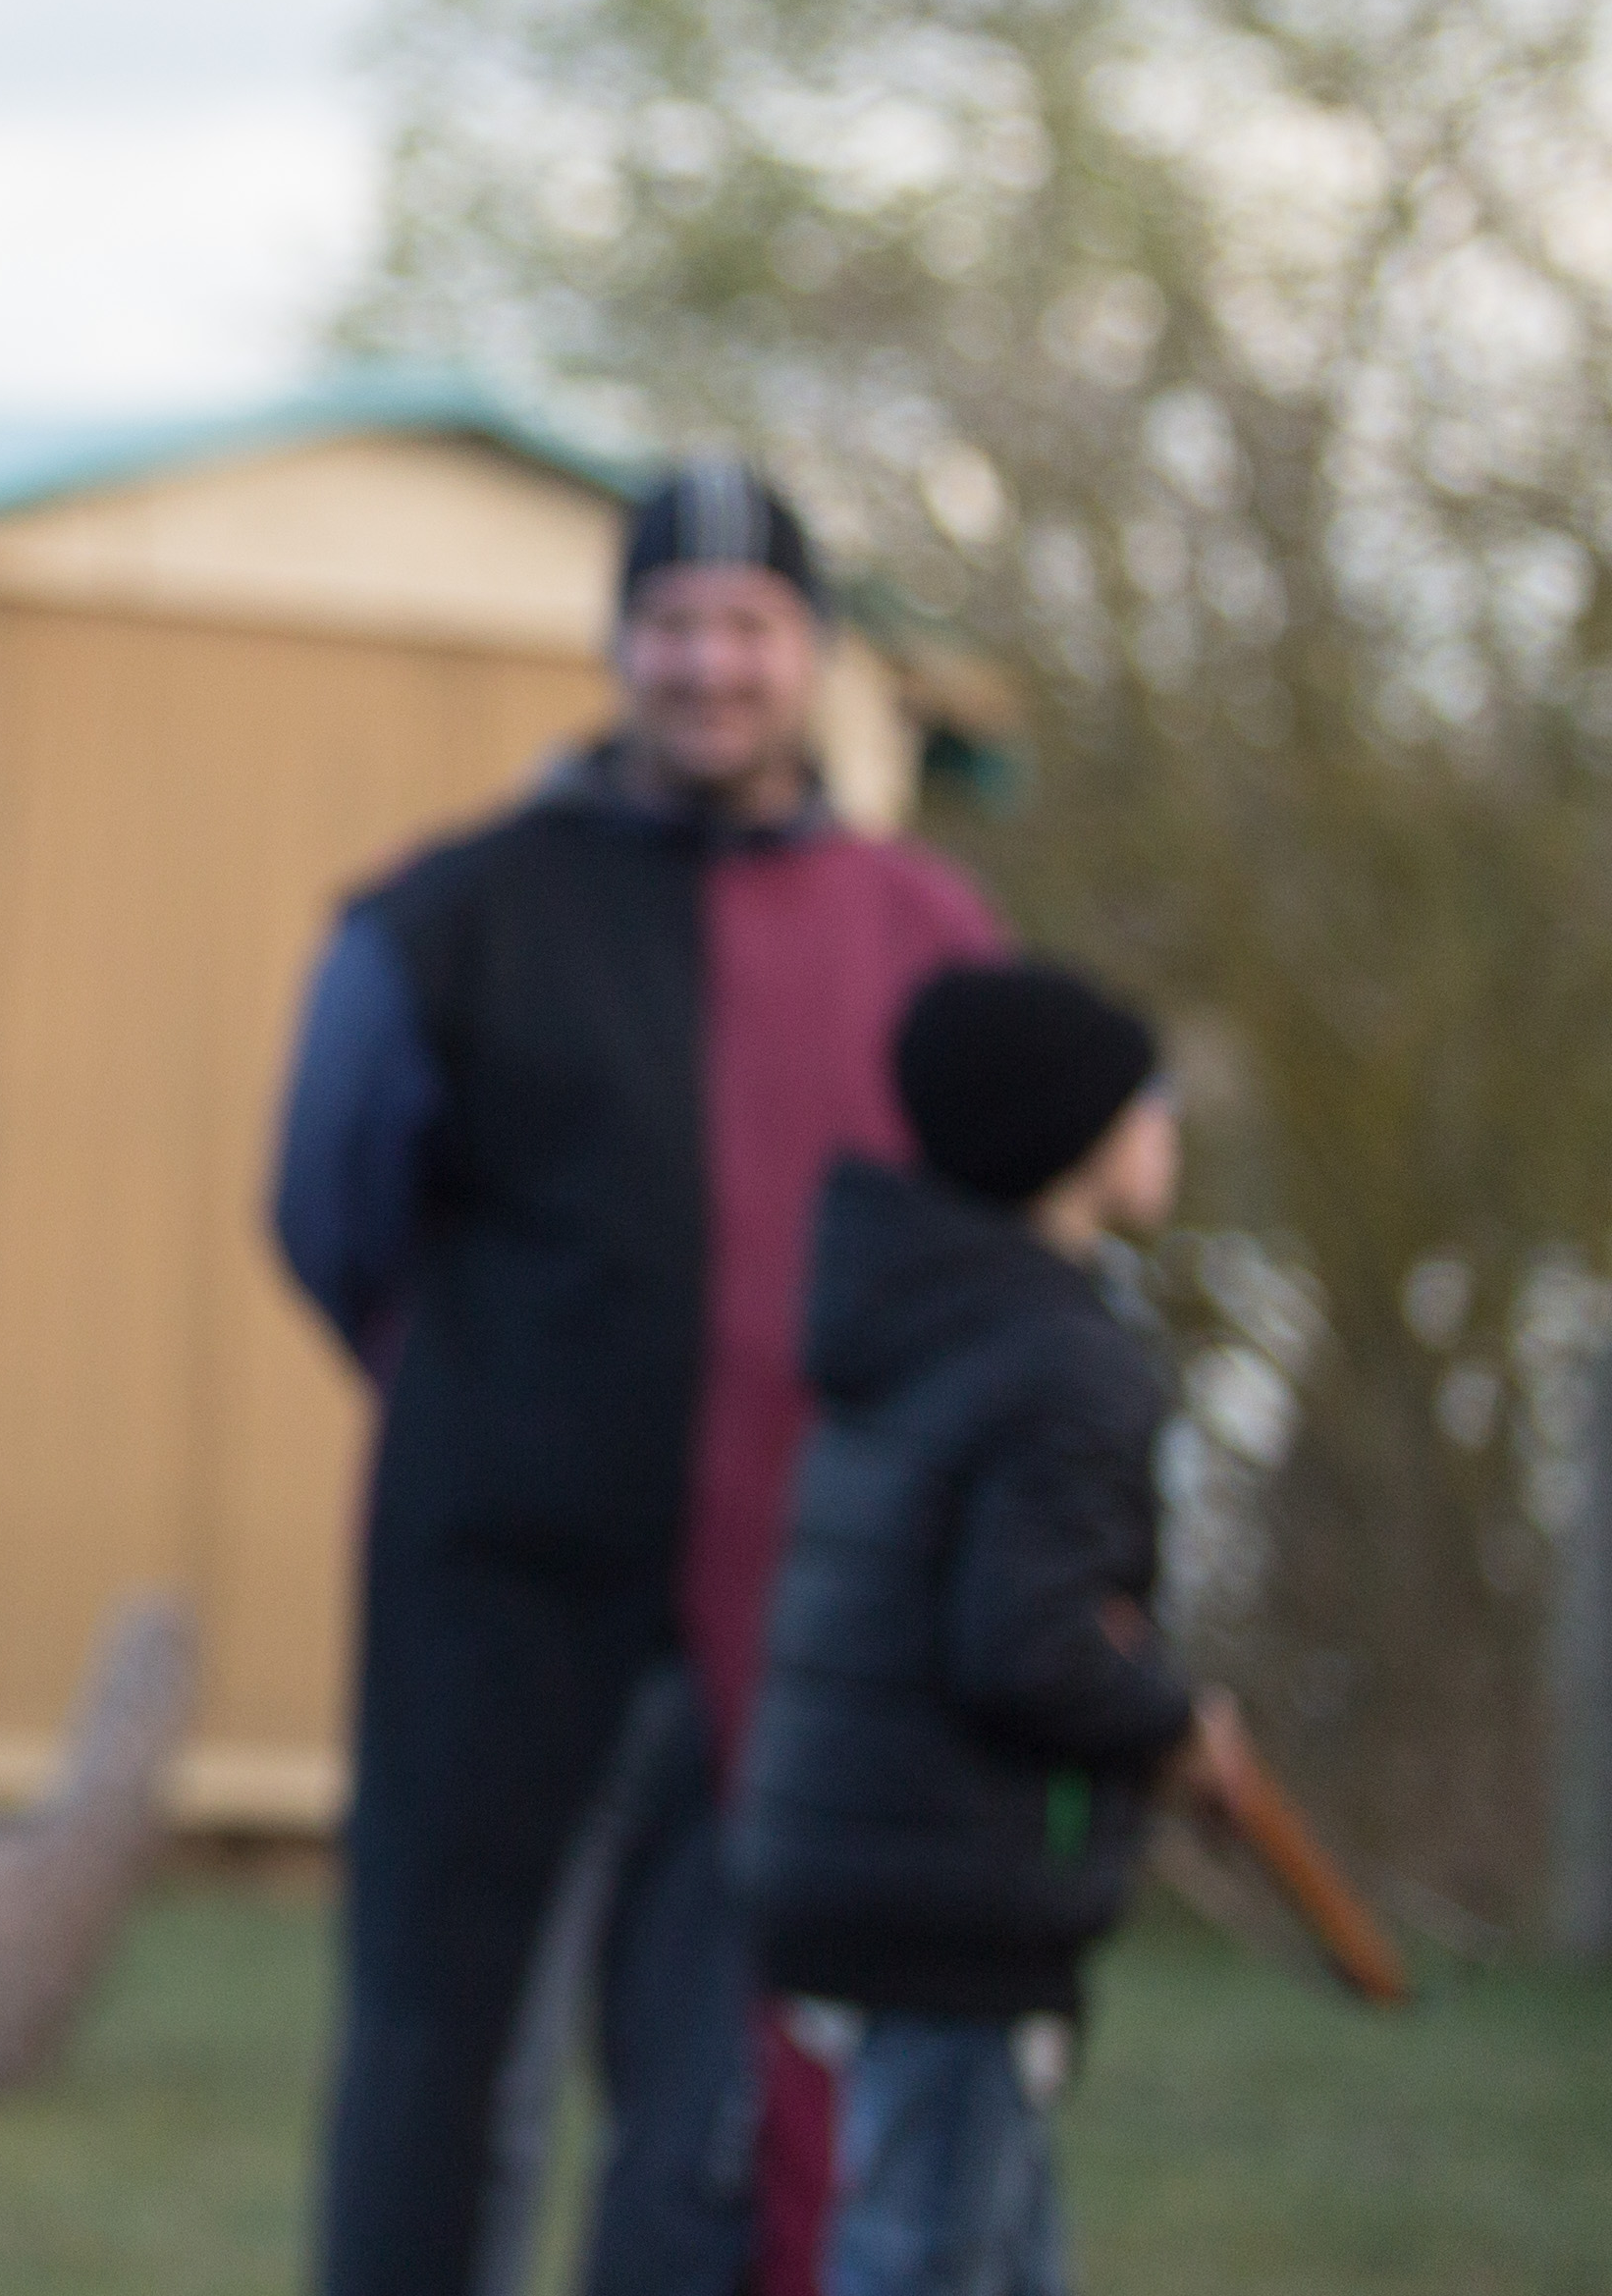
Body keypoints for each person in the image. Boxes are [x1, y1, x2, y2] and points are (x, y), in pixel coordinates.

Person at [271, 459, 1004, 2296]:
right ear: (619, 646)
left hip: (795, 1598)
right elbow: (328, 1208)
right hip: (497, 1593)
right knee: (448, 2045)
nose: (710, 666)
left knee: (725, 2081)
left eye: (749, 627)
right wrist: (511, 1402)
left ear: (811, 653)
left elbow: (989, 1247)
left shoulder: (920, 933)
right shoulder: (446, 916)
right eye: (673, 625)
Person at [735, 961, 1215, 2296]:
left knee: (997, 2254)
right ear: (1080, 1137)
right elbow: (1030, 1646)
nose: (1170, 1124)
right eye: (1154, 1096)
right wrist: (1174, 1723)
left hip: (874, 1857)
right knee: (928, 2255)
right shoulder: (1057, 1362)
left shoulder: (929, 1318)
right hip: (955, 1894)